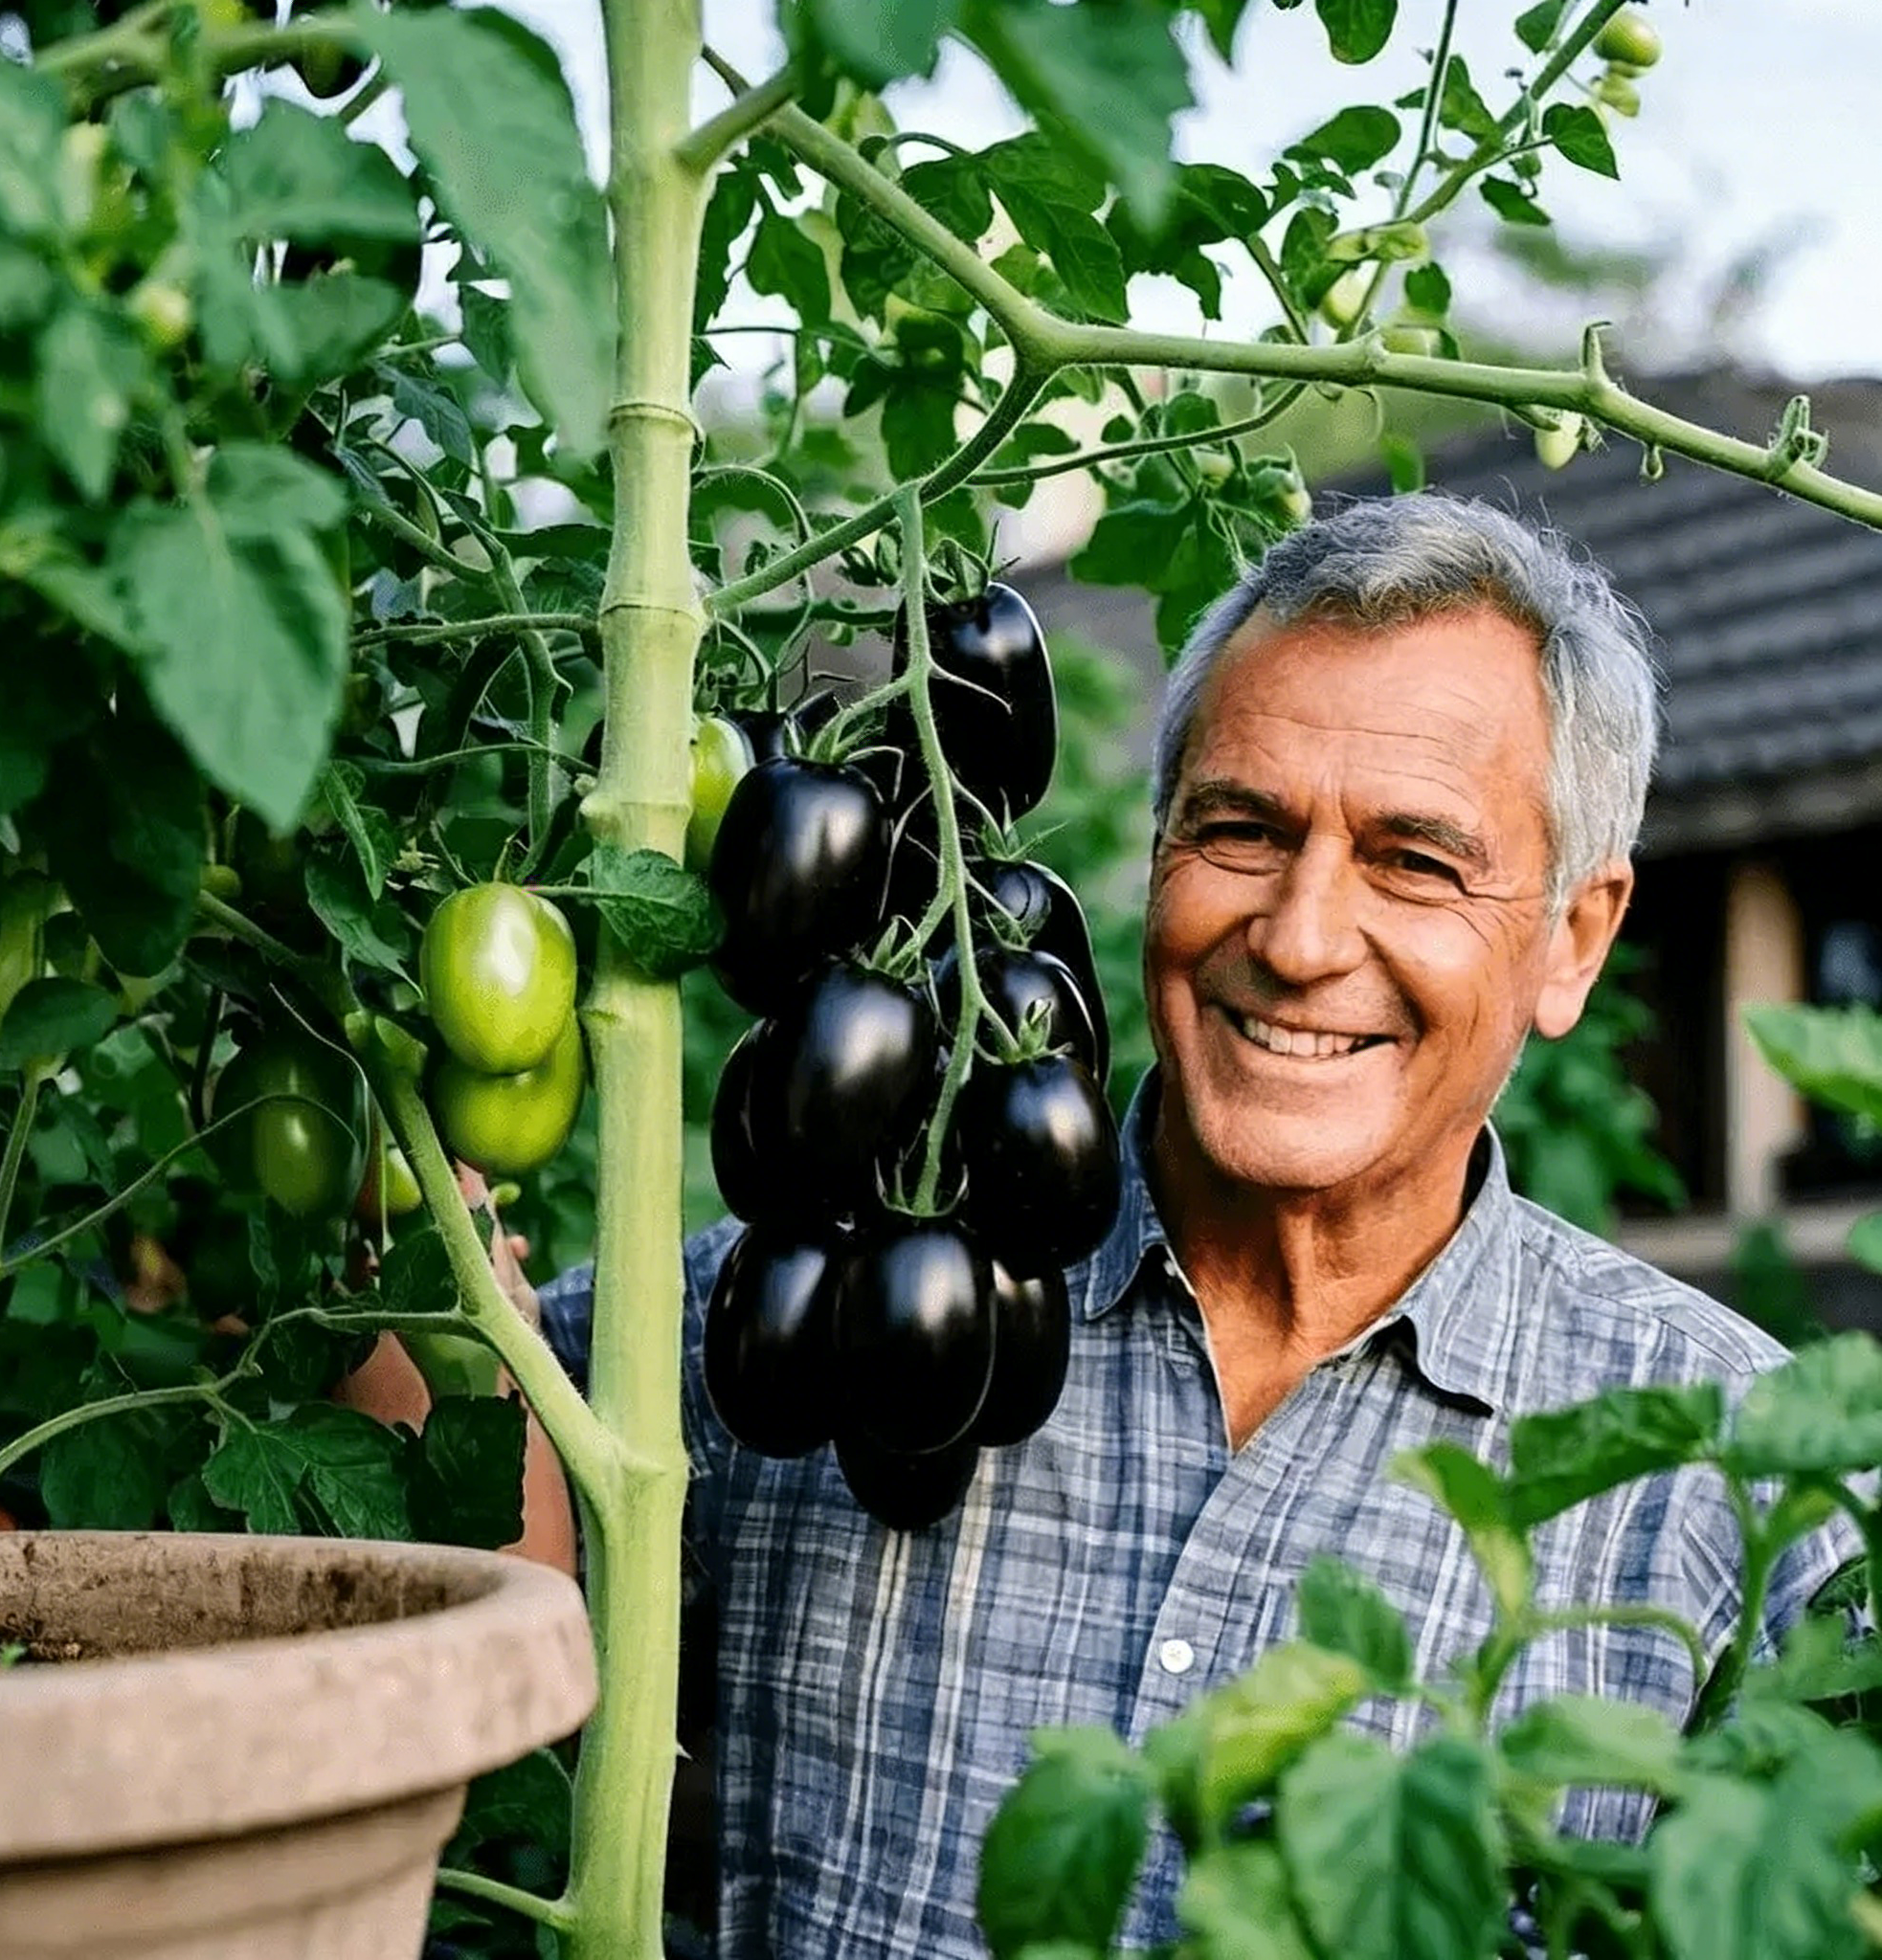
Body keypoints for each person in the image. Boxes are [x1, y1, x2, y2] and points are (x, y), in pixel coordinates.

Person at [382, 494, 1861, 1957]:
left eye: (1416, 860)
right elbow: (431, 1499)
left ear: (1574, 941)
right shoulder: (801, 1306)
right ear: (1156, 851)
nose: (1297, 938)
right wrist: (409, 1213)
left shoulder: (1741, 1490)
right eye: (1239, 829)